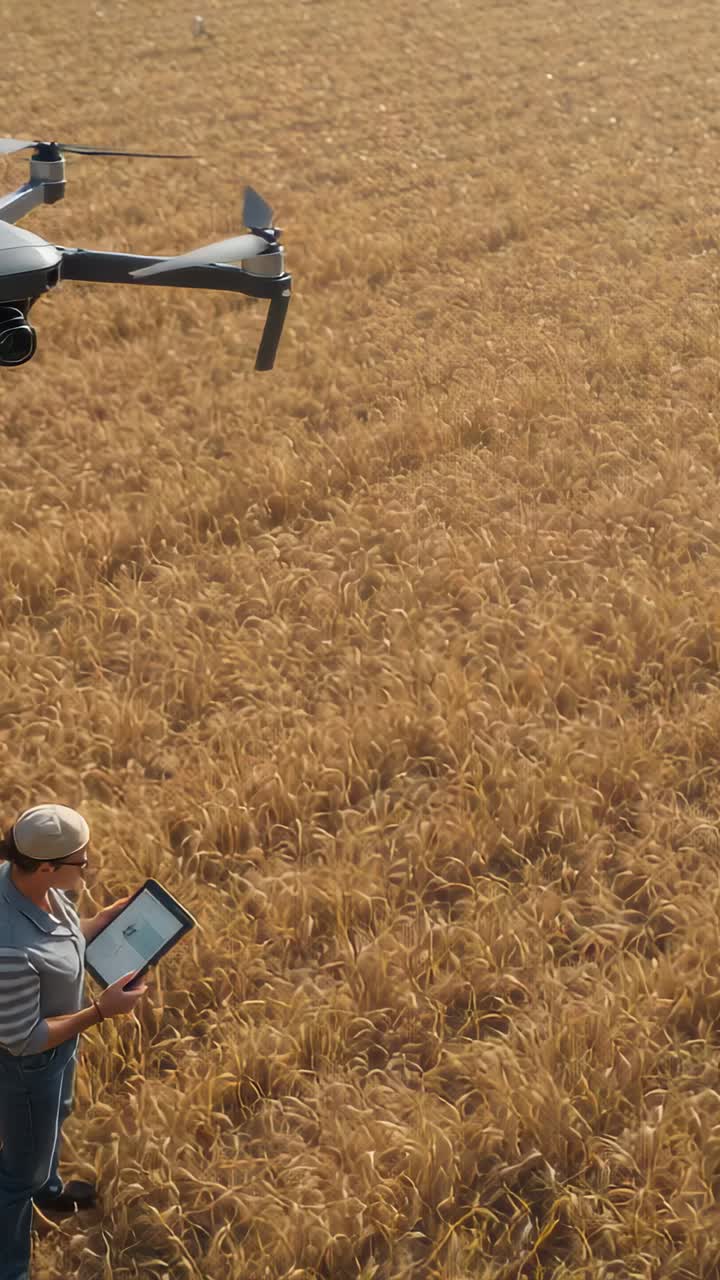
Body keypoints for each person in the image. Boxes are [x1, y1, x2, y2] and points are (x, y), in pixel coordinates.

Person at [0, 803, 150, 1280]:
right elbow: (25, 1038)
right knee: (15, 1176)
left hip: (56, 1053)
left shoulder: (26, 882)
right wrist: (101, 1011)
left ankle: (48, 1188)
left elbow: (62, 942)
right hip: (31, 1064)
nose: (87, 867)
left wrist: (98, 922)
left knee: (56, 1115)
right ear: (46, 866)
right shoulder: (8, 949)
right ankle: (11, 1267)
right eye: (80, 862)